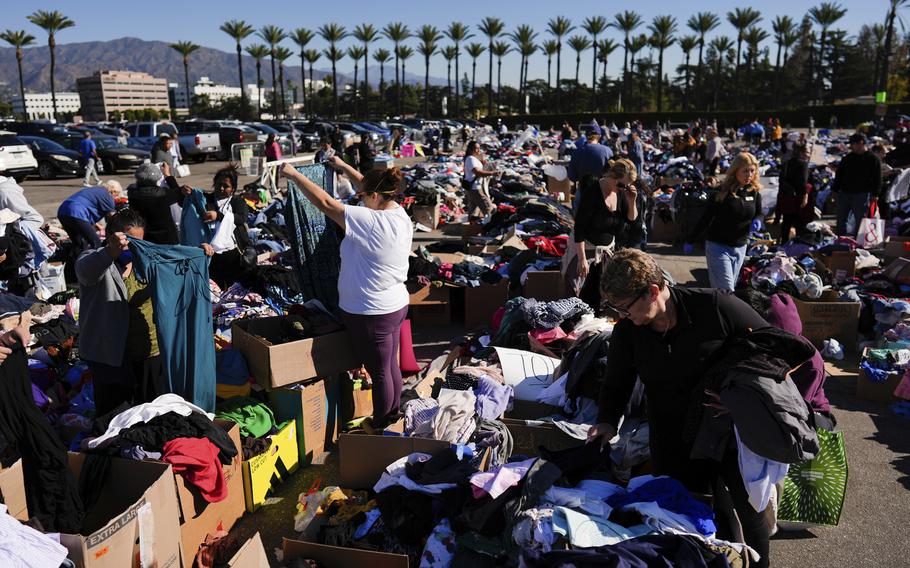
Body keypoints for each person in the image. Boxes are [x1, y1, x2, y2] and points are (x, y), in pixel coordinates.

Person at [587, 248, 779, 568]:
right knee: (691, 514)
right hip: (672, 435)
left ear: (652, 291)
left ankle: (758, 564)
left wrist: (743, 396)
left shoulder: (715, 306)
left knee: (749, 509)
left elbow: (776, 345)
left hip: (729, 431)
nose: (622, 315)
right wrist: (607, 422)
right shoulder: (628, 332)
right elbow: (616, 383)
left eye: (625, 307)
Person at [280, 157, 412, 427]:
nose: (360, 200)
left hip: (372, 312)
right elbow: (369, 184)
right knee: (389, 366)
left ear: (375, 196)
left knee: (380, 373)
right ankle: (393, 415)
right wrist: (342, 166)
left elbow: (327, 204)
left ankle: (381, 424)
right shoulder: (398, 213)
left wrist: (294, 175)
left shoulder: (372, 222)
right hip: (394, 305)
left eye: (363, 196)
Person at [685, 152, 763, 291]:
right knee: (726, 290)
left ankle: (716, 312)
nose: (749, 175)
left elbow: (759, 213)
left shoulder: (754, 192)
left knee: (728, 289)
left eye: (752, 170)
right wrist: (691, 240)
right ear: (735, 171)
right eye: (745, 171)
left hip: (740, 247)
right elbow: (706, 218)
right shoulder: (721, 192)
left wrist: (758, 220)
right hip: (718, 247)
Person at [571, 158, 642, 303]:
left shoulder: (621, 193)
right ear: (612, 177)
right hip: (588, 252)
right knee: (585, 296)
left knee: (605, 297)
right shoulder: (593, 192)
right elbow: (579, 227)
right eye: (622, 184)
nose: (624, 188)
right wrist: (581, 259)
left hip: (608, 252)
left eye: (628, 185)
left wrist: (632, 200)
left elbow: (631, 220)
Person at [57, 181, 121, 282]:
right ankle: (93, 271)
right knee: (96, 242)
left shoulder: (95, 190)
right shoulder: (107, 196)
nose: (115, 198)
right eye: (116, 195)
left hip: (63, 211)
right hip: (76, 213)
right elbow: (114, 218)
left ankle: (71, 273)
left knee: (79, 243)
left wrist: (94, 225)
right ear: (113, 191)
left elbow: (85, 204)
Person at [201, 164, 251, 289]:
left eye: (226, 186)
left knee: (233, 285)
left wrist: (218, 215)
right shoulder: (206, 199)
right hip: (211, 252)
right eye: (219, 185)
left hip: (232, 252)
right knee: (215, 286)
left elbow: (241, 218)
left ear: (233, 189)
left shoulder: (237, 201)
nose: (221, 188)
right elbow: (185, 200)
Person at [127, 162, 191, 245]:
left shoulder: (132, 193)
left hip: (144, 239)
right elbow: (179, 195)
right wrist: (168, 175)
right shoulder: (164, 194)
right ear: (156, 178)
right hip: (167, 239)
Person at [832, 133, 881, 236]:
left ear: (861, 143)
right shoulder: (848, 158)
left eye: (853, 144)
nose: (851, 147)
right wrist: (835, 190)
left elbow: (877, 179)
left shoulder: (873, 159)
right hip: (844, 193)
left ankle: (858, 243)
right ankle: (841, 241)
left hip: (862, 194)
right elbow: (839, 175)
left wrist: (875, 194)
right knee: (841, 220)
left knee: (860, 221)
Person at [776, 144, 812, 243]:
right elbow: (803, 182)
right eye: (807, 152)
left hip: (786, 197)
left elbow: (781, 180)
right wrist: (805, 196)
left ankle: (783, 245)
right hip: (797, 198)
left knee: (786, 223)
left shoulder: (787, 162)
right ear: (801, 153)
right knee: (799, 224)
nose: (809, 155)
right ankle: (798, 247)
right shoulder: (803, 164)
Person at [462, 141, 497, 219]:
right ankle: (488, 227)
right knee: (488, 209)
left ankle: (471, 228)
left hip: (475, 187)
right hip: (475, 188)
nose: (478, 150)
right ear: (471, 149)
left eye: (478, 148)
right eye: (476, 148)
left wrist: (483, 162)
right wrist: (492, 173)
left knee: (473, 211)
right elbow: (477, 172)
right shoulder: (471, 159)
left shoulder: (474, 158)